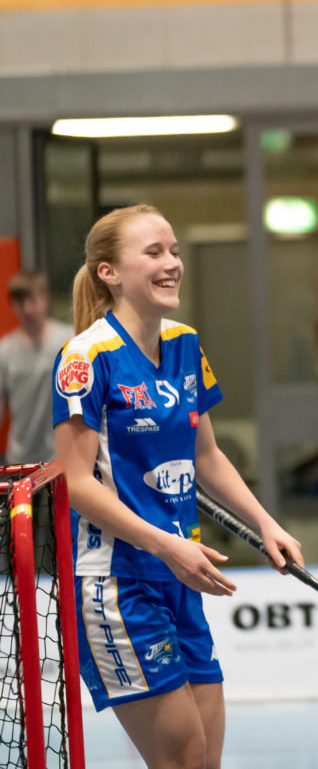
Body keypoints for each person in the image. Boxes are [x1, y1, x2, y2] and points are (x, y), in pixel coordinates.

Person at [52, 205, 304, 768]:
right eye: (153, 253)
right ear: (108, 273)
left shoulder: (186, 343)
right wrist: (167, 546)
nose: (172, 264)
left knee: (204, 761)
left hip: (179, 575)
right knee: (184, 754)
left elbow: (207, 454)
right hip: (117, 580)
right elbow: (74, 484)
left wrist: (267, 525)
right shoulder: (85, 358)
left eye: (174, 250)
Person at [0, 271, 72, 464]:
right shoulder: (5, 351)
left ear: (45, 299)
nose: (27, 309)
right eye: (20, 303)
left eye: (32, 300)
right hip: (20, 460)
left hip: (62, 456)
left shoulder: (69, 342)